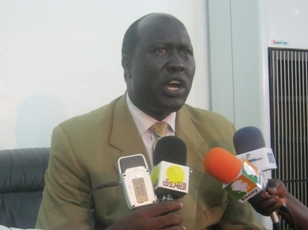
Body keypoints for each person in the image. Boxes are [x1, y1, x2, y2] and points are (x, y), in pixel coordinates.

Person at [36, 13, 266, 230]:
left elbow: (242, 225)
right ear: (127, 65)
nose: (178, 64)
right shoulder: (75, 140)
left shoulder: (221, 131)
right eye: (160, 50)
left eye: (186, 52)